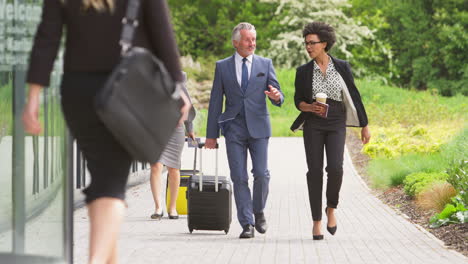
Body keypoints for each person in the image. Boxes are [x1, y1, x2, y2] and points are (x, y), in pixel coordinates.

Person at [22, 0, 190, 263]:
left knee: (103, 178)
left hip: (77, 95)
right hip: (125, 93)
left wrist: (32, 99)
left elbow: (47, 38)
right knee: (111, 184)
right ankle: (95, 259)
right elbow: (163, 34)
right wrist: (178, 89)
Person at [290, 21, 371, 240]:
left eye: (312, 43)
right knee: (314, 171)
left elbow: (354, 95)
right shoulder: (303, 71)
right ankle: (316, 221)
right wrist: (308, 107)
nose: (308, 47)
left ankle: (331, 208)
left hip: (336, 120)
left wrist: (364, 124)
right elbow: (298, 101)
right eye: (306, 43)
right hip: (314, 122)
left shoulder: (341, 66)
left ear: (324, 43)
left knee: (335, 168)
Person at [205, 22, 284, 239]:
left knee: (262, 174)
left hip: (259, 126)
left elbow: (278, 93)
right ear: (236, 42)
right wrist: (211, 134)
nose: (252, 43)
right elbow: (215, 101)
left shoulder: (265, 64)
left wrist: (277, 97)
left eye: (254, 39)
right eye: (248, 40)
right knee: (238, 177)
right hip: (234, 129)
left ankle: (258, 211)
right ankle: (246, 223)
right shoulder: (222, 66)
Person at [150, 71, 196, 220]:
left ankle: (172, 207)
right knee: (156, 165)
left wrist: (190, 129)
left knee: (173, 168)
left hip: (175, 129)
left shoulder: (180, 76)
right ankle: (158, 208)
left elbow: (187, 103)